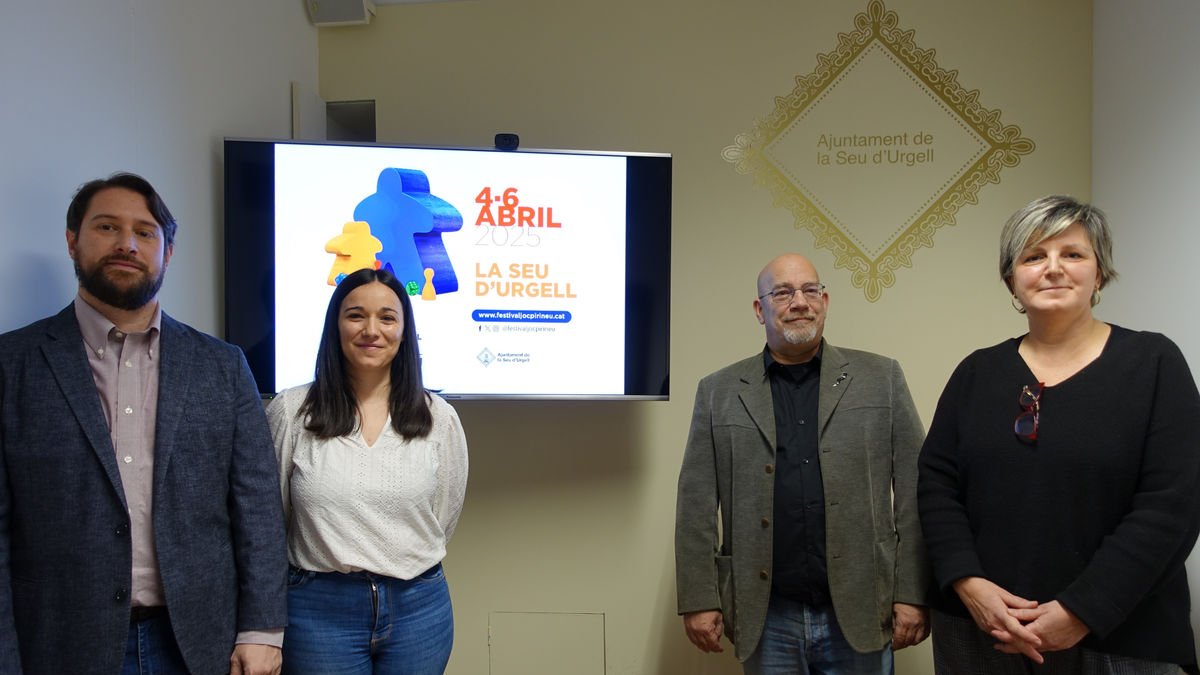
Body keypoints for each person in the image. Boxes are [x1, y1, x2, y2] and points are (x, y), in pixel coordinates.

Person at [0, 172, 288, 674]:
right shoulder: (12, 364)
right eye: (107, 227)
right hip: (60, 644)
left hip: (197, 644)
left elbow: (257, 509)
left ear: (167, 253)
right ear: (73, 242)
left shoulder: (222, 366)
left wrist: (262, 630)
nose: (126, 244)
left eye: (145, 232)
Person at [918, 195, 1200, 674]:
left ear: (1099, 274)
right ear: (1011, 278)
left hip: (1121, 638)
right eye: (1033, 257)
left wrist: (1082, 610)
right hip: (983, 634)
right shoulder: (976, 373)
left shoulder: (1153, 363)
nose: (1053, 269)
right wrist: (967, 583)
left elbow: (1173, 503)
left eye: (1072, 254)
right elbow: (936, 485)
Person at [674, 253, 930, 674]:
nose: (799, 302)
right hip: (768, 614)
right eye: (783, 293)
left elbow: (915, 490)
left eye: (810, 290)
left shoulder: (880, 378)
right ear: (760, 309)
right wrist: (700, 599)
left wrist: (913, 592)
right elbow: (696, 503)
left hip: (864, 606)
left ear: (825, 301)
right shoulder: (718, 392)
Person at [267, 267, 468, 675]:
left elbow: (443, 517)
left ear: (404, 330)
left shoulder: (439, 419)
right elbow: (269, 521)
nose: (371, 330)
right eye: (356, 315)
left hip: (419, 607)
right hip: (317, 610)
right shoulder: (291, 411)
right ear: (336, 325)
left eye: (387, 317)